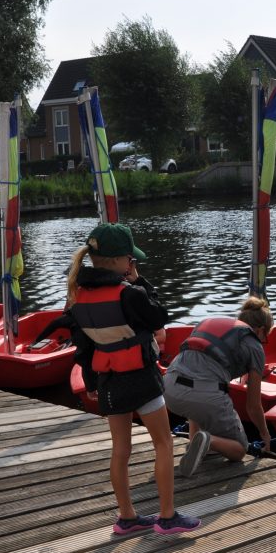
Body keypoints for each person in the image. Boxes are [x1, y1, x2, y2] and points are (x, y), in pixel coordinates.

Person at [68, 222, 200, 535]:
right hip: (140, 376)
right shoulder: (129, 294)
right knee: (164, 443)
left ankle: (127, 517)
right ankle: (167, 516)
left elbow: (83, 350)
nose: (132, 264)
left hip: (108, 380)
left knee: (120, 450)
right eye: (131, 259)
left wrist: (92, 384)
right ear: (118, 262)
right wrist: (141, 282)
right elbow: (159, 316)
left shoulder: (76, 298)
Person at [162, 296, 274, 479]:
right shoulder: (254, 346)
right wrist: (264, 433)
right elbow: (253, 405)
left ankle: (195, 443)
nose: (263, 341)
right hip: (203, 395)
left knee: (196, 391)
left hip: (168, 387)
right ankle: (208, 440)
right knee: (239, 450)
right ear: (261, 330)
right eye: (265, 337)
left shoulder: (208, 322)